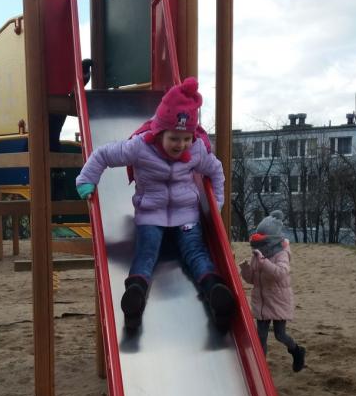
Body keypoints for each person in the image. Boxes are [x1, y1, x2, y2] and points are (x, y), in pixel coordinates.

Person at [75, 77, 236, 332]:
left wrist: (216, 203)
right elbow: (104, 155)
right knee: (146, 252)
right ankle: (135, 295)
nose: (181, 145)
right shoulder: (140, 147)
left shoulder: (196, 150)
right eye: (174, 138)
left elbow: (216, 171)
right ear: (160, 131)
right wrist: (87, 180)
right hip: (150, 215)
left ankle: (214, 290)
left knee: (196, 252)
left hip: (186, 216)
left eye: (186, 138)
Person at [239, 210, 306, 372]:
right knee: (260, 336)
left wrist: (264, 262)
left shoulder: (282, 253)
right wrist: (246, 269)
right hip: (262, 302)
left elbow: (280, 273)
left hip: (278, 300)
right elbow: (253, 279)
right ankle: (261, 367)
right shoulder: (259, 255)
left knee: (280, 335)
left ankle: (297, 351)